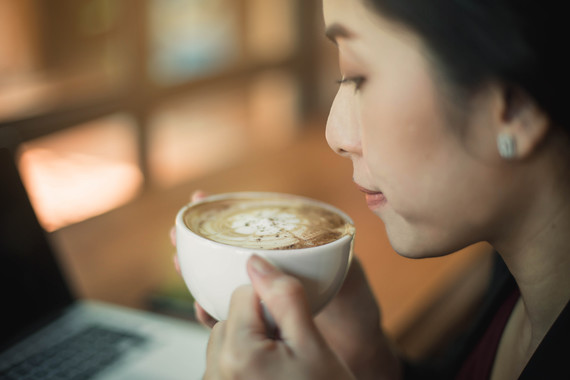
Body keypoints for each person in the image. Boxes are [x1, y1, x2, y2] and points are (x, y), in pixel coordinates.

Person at [174, 0, 570, 378]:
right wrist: (368, 360)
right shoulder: (513, 286)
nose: (336, 135)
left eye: (357, 76)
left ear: (514, 109)